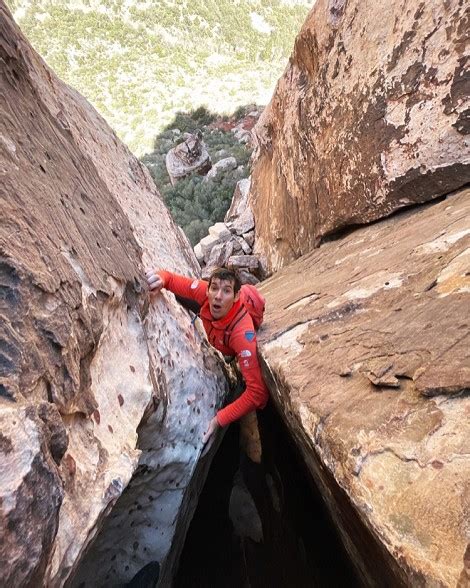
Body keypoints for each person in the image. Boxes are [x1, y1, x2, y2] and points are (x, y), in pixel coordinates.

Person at [145, 267, 269, 445]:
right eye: (214, 288)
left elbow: (258, 393)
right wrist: (160, 279)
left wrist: (219, 419)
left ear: (236, 297)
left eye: (226, 290)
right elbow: (171, 278)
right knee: (181, 295)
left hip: (230, 342)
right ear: (208, 288)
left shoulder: (242, 334)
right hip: (217, 332)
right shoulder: (206, 294)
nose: (218, 296)